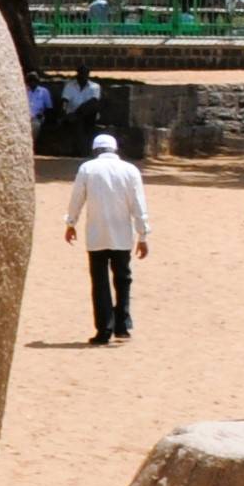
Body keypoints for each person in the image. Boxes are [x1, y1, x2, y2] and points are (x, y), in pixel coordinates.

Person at [63, 132, 151, 346]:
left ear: (96, 150)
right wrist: (142, 235)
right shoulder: (130, 170)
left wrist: (71, 223)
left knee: (100, 282)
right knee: (123, 279)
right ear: (114, 149)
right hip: (122, 235)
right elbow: (138, 205)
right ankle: (122, 325)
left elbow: (77, 199)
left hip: (96, 235)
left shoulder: (87, 168)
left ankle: (104, 329)